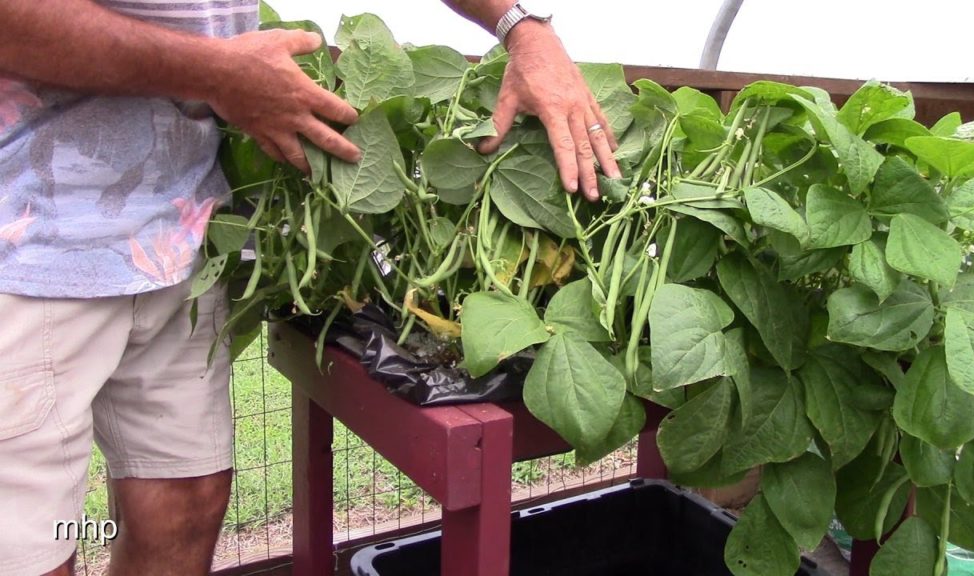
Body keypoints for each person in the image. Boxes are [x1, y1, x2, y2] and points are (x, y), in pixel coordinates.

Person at [0, 1, 620, 574]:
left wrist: (522, 27)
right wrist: (216, 72)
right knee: (36, 548)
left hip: (181, 238)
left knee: (185, 507)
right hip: (27, 244)